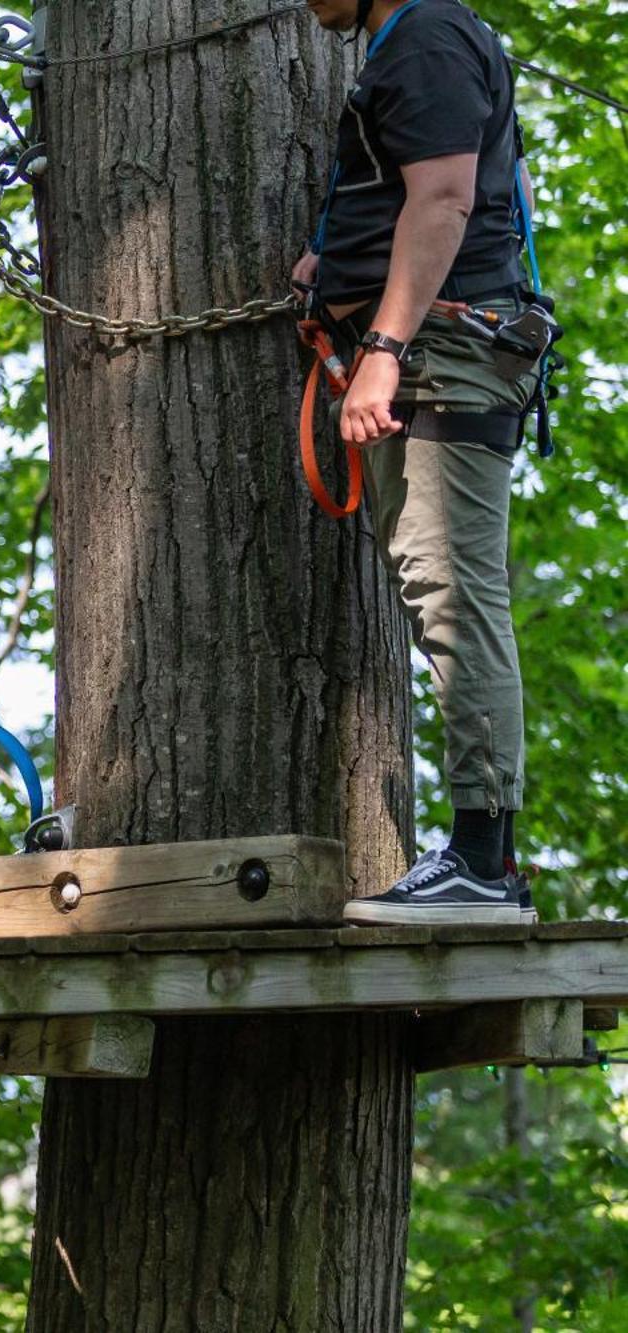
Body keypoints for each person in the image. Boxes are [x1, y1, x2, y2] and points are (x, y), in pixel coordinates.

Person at [294, 0, 548, 923]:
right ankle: (485, 856)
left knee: (453, 589)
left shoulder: (430, 35)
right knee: (438, 585)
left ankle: (482, 862)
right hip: (437, 346)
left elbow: (444, 199)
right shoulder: (423, 37)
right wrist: (339, 261)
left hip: (442, 353)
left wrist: (386, 348)